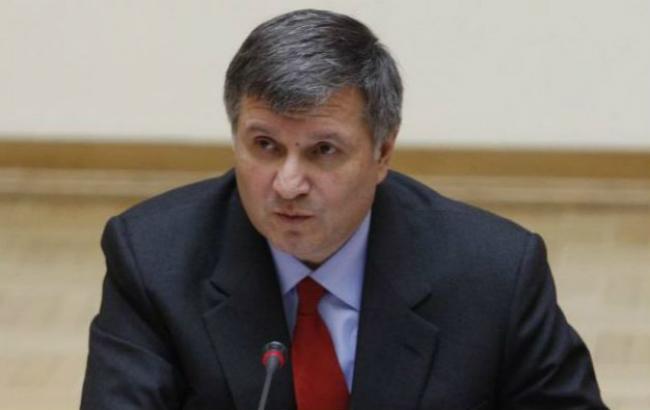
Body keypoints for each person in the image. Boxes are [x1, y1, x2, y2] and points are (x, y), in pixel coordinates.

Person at [80, 9, 608, 410]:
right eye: (265, 146)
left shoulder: (494, 273)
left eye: (323, 151)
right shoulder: (153, 260)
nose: (288, 184)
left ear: (383, 152)